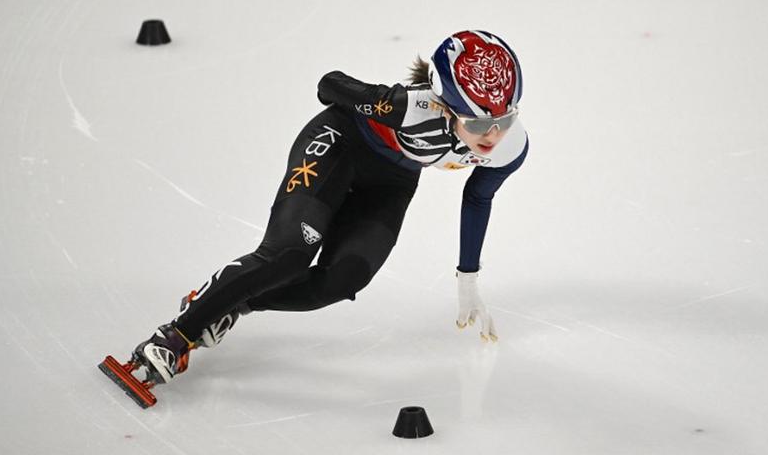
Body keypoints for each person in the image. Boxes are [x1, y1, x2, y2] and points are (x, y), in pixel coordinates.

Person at [132, 30, 529, 385]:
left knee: (344, 278)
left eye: (504, 119)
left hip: (391, 182)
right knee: (288, 255)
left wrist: (468, 279)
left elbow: (478, 197)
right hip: (340, 145)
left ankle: (233, 301)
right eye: (477, 125)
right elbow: (330, 84)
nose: (492, 135)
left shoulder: (509, 148)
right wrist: (376, 100)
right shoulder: (406, 108)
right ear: (444, 107)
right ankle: (176, 334)